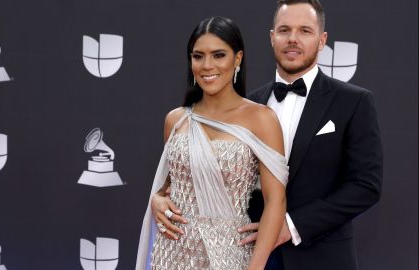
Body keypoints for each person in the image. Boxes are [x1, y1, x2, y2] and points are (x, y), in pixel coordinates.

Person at [149, 1, 383, 270]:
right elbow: (194, 177)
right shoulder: (249, 105)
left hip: (321, 257)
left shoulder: (353, 101)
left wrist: (291, 226)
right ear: (272, 37)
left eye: (304, 31)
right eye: (284, 30)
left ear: (322, 40)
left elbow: (366, 186)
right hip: (242, 250)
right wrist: (158, 198)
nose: (292, 39)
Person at [136, 17, 289, 270]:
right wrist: (157, 199)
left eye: (219, 55)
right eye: (198, 56)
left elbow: (276, 202)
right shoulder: (176, 119)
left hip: (231, 254)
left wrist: (256, 266)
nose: (207, 66)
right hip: (172, 252)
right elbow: (169, 185)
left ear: (237, 59)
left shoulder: (261, 119)